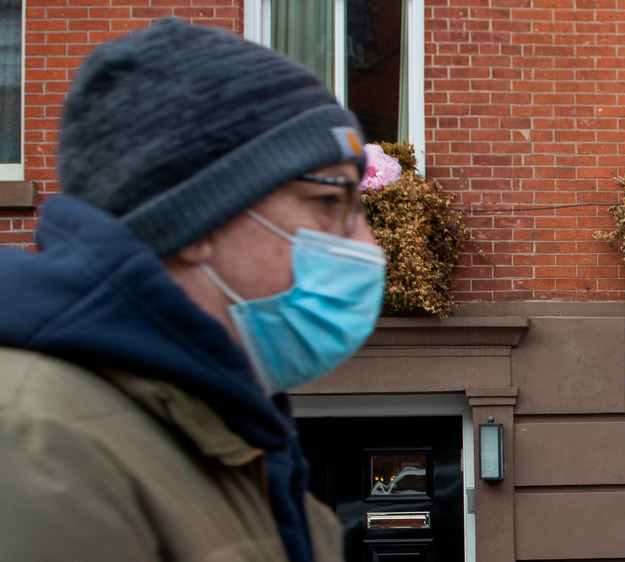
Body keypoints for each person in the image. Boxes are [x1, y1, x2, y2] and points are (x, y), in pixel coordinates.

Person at [0, 17, 385, 562]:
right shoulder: (36, 444)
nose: (368, 245)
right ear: (198, 219)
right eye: (329, 201)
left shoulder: (229, 438)